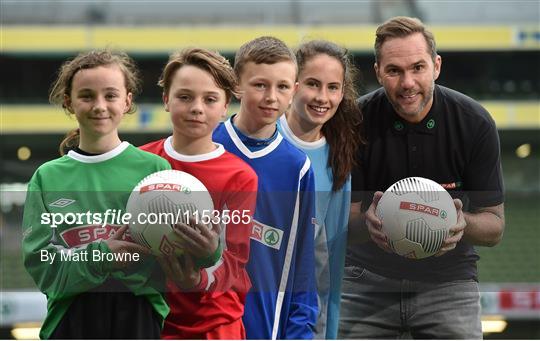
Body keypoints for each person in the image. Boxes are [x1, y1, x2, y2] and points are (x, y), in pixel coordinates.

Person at [339, 16, 505, 339]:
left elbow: (495, 225)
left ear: (436, 66)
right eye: (394, 71)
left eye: (418, 67)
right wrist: (367, 224)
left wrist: (460, 223)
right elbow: (340, 220)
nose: (408, 83)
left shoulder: (475, 124)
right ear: (377, 73)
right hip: (366, 279)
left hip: (449, 282)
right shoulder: (354, 123)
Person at [22, 50, 172, 339]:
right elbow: (43, 267)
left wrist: (206, 246)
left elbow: (180, 253)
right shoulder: (47, 177)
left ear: (127, 100)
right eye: (87, 96)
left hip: (138, 316)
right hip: (70, 319)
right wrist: (102, 256)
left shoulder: (155, 169)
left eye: (111, 95)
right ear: (69, 102)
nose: (99, 106)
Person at [140, 47, 258, 339]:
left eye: (210, 99)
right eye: (185, 96)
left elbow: (235, 260)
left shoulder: (240, 177)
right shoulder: (140, 162)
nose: (197, 107)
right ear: (166, 99)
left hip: (215, 324)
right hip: (152, 321)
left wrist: (201, 272)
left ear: (225, 106)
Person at [213, 36, 318, 340]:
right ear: (237, 85)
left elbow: (303, 264)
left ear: (294, 91)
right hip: (207, 326)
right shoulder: (209, 147)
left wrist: (300, 333)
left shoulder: (297, 168)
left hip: (268, 329)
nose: (271, 96)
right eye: (260, 85)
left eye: (282, 87)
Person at [277, 40, 362, 339]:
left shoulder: (337, 161)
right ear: (293, 84)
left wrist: (329, 332)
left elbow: (332, 262)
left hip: (299, 318)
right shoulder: (263, 136)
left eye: (333, 87)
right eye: (313, 84)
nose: (322, 97)